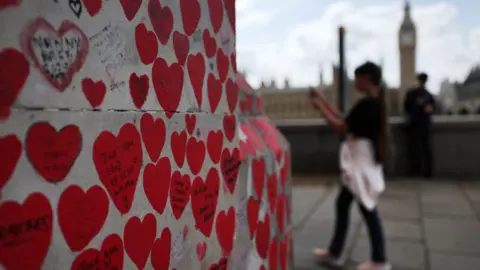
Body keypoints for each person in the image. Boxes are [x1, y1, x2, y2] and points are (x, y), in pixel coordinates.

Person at [309, 61, 391, 270]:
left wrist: (319, 107)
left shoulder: (368, 104)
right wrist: (323, 102)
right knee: (344, 203)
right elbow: (345, 119)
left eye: (358, 77)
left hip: (360, 161)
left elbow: (340, 126)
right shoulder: (374, 102)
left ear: (366, 78)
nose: (355, 81)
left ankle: (380, 260)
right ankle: (335, 252)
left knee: (367, 207)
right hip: (363, 158)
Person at [403, 73, 435, 178]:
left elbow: (406, 107)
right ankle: (426, 171)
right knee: (422, 148)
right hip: (421, 124)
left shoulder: (413, 93)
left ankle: (418, 171)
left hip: (416, 124)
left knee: (418, 149)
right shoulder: (428, 95)